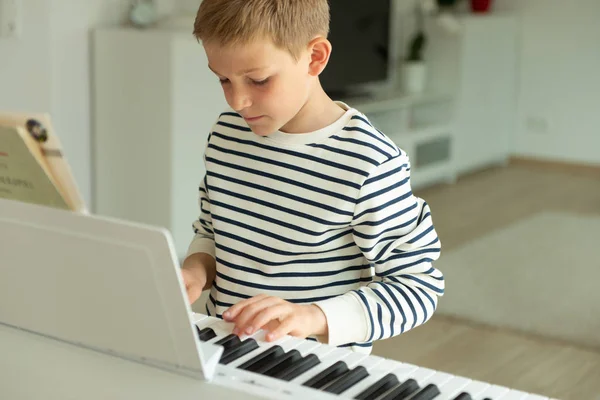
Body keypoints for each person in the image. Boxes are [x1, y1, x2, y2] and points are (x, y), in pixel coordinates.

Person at [181, 0, 444, 354]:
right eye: (223, 79)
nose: (237, 101)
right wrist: (196, 272)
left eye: (258, 80)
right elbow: (213, 232)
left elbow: (417, 287)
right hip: (227, 351)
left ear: (316, 57)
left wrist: (312, 317)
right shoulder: (226, 135)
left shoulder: (370, 162)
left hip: (318, 367)